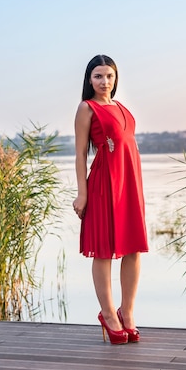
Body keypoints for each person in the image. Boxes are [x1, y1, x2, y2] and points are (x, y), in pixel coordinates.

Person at [73, 54, 149, 345]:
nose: (104, 82)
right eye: (98, 77)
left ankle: (127, 313)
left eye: (109, 76)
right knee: (103, 250)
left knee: (133, 249)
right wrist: (83, 192)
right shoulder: (86, 108)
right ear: (89, 80)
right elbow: (80, 153)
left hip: (130, 184)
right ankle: (108, 313)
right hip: (104, 183)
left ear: (115, 79)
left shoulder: (122, 108)